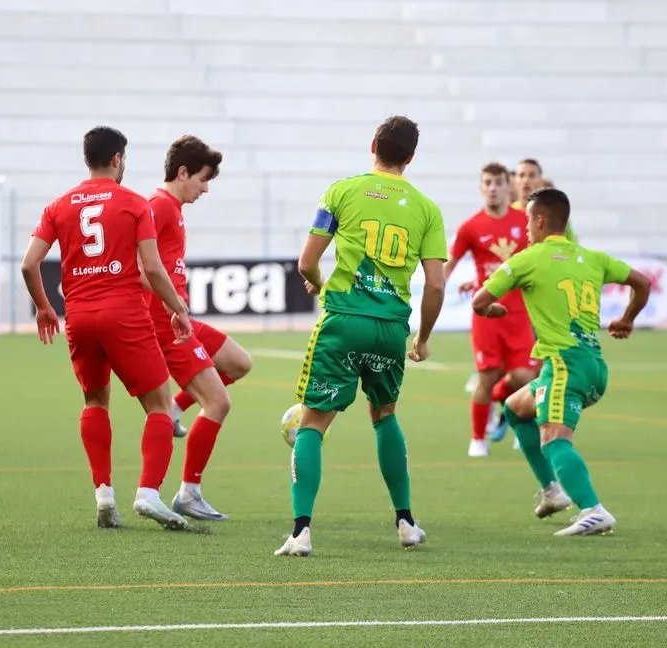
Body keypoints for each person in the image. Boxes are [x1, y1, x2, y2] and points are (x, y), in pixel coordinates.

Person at [274, 115, 447, 557]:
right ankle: (406, 522)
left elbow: (307, 262)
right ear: (410, 157)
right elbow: (437, 284)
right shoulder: (427, 209)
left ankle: (301, 532)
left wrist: (317, 284)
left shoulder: (342, 191)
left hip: (344, 320)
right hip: (391, 328)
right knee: (384, 415)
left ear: (373, 145)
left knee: (313, 421)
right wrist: (423, 337)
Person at [20, 126, 192, 531]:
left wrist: (45, 309)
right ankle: (149, 492)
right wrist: (177, 305)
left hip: (80, 318)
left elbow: (29, 264)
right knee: (160, 405)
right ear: (117, 159)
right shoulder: (134, 203)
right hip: (124, 315)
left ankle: (104, 494)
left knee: (95, 402)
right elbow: (150, 267)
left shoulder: (59, 206)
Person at [471, 187, 651, 535]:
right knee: (515, 408)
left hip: (563, 365)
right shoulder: (593, 258)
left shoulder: (528, 259)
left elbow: (480, 301)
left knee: (553, 438)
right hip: (593, 365)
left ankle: (593, 509)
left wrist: (493, 310)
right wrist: (627, 319)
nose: (524, 229)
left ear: (540, 220)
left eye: (527, 221)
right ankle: (552, 491)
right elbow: (641, 282)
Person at [142, 135, 252, 522]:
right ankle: (189, 492)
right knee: (218, 403)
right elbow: (138, 267)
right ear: (183, 172)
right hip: (166, 324)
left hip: (180, 318)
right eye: (203, 180)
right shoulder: (158, 207)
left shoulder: (171, 208)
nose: (205, 189)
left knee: (239, 363)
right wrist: (170, 306)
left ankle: (174, 406)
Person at [444, 163, 539, 458]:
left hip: (519, 313)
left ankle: (503, 404)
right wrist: (438, 285)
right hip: (486, 313)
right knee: (488, 375)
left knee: (524, 376)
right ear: (481, 187)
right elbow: (449, 263)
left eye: (499, 182)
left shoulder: (525, 222)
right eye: (488, 182)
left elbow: (536, 260)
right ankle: (477, 440)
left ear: (507, 185)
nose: (494, 187)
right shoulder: (470, 227)